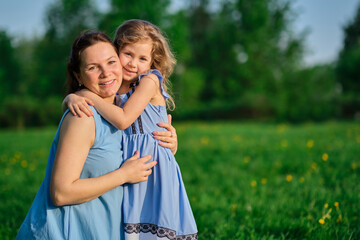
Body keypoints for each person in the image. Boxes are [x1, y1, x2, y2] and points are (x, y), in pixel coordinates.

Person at [16, 31, 176, 239]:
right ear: (78, 75)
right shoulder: (82, 117)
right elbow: (60, 193)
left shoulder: (121, 114)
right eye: (93, 67)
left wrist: (169, 145)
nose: (106, 73)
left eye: (111, 62)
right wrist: (123, 175)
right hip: (61, 233)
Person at [64, 19, 197, 240]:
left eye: (142, 58)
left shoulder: (150, 80)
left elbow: (124, 120)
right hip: (130, 166)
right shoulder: (114, 84)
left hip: (153, 168)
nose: (133, 63)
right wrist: (70, 98)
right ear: (116, 51)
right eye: (127, 54)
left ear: (152, 62)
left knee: (156, 226)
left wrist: (84, 94)